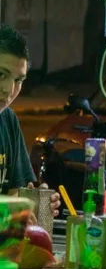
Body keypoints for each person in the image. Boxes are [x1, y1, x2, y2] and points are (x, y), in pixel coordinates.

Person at [0, 26, 60, 213]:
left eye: (19, 80)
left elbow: (14, 195)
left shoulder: (7, 120)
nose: (9, 90)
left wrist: (33, 204)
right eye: (2, 75)